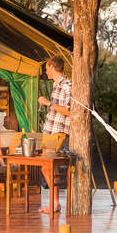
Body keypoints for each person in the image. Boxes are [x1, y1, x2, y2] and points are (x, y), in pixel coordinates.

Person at [37, 55, 71, 213]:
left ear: (52, 67)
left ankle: (55, 203)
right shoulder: (56, 85)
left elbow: (69, 111)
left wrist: (47, 103)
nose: (45, 72)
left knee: (48, 165)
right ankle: (54, 203)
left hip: (58, 133)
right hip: (50, 131)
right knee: (46, 166)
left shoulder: (67, 85)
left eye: (46, 68)